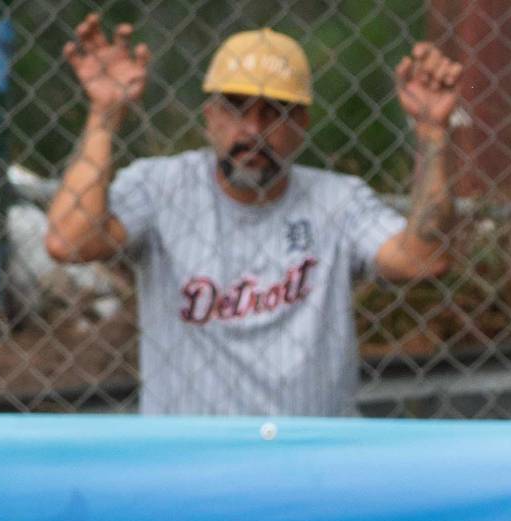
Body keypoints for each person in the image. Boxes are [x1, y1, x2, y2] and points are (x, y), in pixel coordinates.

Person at [43, 15, 462, 416]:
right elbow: (69, 241)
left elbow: (422, 258)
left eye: (273, 111)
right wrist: (105, 112)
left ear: (302, 123)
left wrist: (431, 133)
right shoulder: (161, 187)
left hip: (311, 459)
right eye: (236, 107)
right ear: (210, 119)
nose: (252, 130)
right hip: (192, 461)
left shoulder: (338, 200)